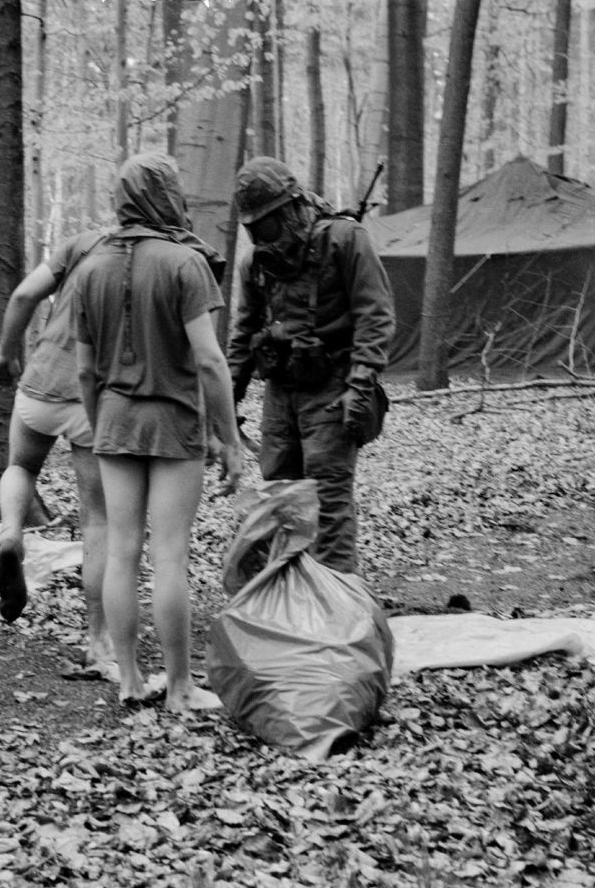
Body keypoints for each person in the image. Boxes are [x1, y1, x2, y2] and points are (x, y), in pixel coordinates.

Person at [71, 152, 243, 711]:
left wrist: (101, 425)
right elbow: (212, 362)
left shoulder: (90, 267)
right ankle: (182, 689)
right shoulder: (183, 263)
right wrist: (231, 438)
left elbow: (83, 369)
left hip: (115, 420)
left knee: (121, 552)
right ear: (165, 194)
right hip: (173, 424)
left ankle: (128, 682)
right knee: (169, 556)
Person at [227, 156, 396, 576]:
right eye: (254, 229)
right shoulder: (256, 265)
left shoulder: (343, 239)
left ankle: (339, 613)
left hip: (332, 389)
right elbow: (244, 334)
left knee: (329, 502)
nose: (263, 237)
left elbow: (375, 316)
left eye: (267, 224)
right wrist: (226, 398)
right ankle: (288, 604)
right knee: (278, 502)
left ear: (292, 207)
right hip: (280, 394)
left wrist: (359, 385)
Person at [0, 229, 115, 677]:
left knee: (21, 466)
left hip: (40, 385)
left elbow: (24, 294)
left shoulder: (83, 243)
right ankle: (99, 639)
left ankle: (10, 533)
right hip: (92, 397)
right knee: (97, 520)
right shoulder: (150, 257)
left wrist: (6, 354)